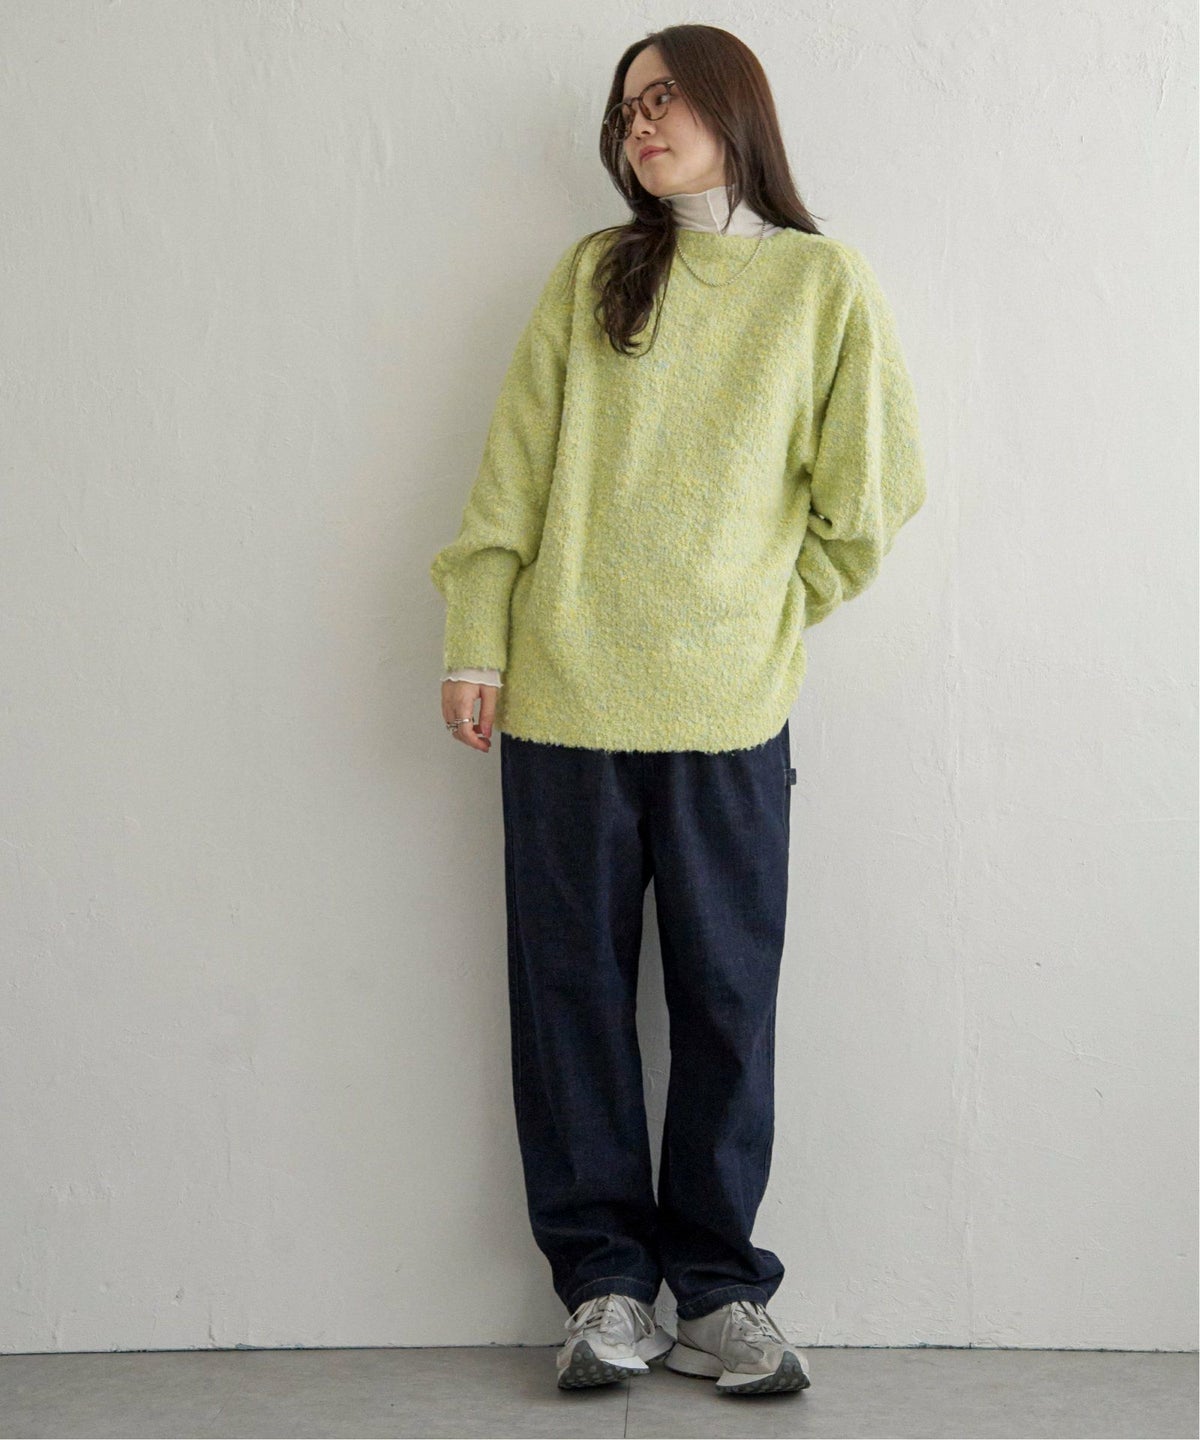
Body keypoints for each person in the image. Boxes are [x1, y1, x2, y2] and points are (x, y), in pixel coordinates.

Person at [429, 24, 927, 1397]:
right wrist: (477, 641)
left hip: (731, 711)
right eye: (625, 110)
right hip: (562, 700)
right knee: (570, 1000)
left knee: (725, 1001)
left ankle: (718, 1293)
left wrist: (768, 611)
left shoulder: (820, 283)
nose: (638, 126)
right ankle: (604, 1287)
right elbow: (514, 472)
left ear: (732, 107)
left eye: (662, 100)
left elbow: (874, 494)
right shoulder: (596, 272)